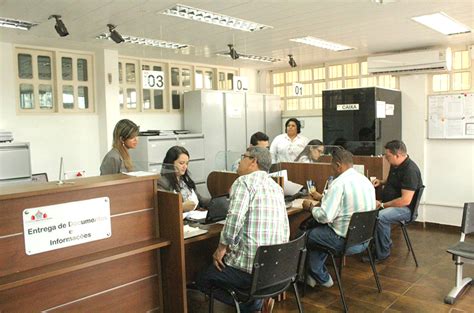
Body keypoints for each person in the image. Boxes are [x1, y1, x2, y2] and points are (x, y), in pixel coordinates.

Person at [196, 147, 289, 312]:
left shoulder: (243, 182)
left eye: (243, 157)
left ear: (254, 161)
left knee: (202, 278)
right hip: (273, 268)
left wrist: (221, 248)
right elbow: (285, 230)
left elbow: (234, 220)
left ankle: (251, 304)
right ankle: (257, 302)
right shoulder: (277, 188)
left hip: (249, 270)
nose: (239, 161)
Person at [302, 149, 376, 288]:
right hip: (363, 239)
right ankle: (313, 275)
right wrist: (324, 198)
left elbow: (325, 217)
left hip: (344, 241)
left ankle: (321, 277)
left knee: (305, 235)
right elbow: (348, 204)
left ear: (338, 165)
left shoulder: (338, 183)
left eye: (332, 166)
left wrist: (311, 207)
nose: (332, 170)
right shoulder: (365, 181)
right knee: (318, 233)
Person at [369, 140, 423, 262]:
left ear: (397, 155)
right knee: (368, 211)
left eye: (387, 156)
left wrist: (383, 205)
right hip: (393, 203)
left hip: (406, 210)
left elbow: (405, 200)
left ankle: (382, 253)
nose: (385, 158)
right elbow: (393, 181)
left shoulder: (410, 171)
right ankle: (382, 243)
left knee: (381, 217)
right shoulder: (396, 165)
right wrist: (381, 181)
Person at [158, 146, 205, 212]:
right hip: (179, 220)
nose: (185, 167)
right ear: (171, 164)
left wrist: (215, 201)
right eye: (181, 163)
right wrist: (182, 207)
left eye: (187, 163)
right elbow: (165, 208)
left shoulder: (185, 179)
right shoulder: (162, 182)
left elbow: (200, 199)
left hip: (195, 216)